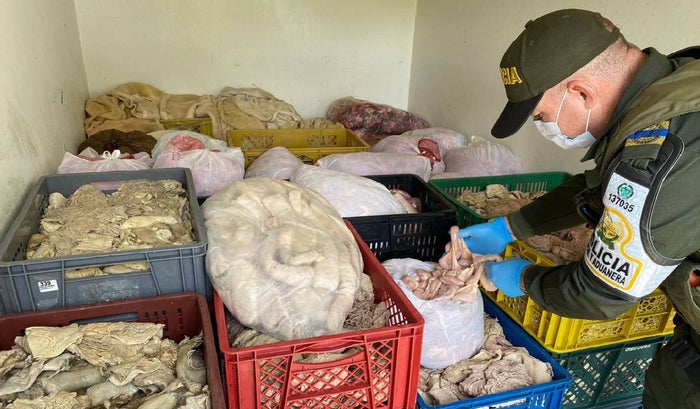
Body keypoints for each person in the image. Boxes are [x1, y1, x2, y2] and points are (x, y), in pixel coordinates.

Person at [460, 8, 700, 408]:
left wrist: (523, 278)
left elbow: (600, 294)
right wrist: (511, 227)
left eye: (541, 116)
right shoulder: (673, 89)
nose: (544, 126)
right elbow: (601, 187)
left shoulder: (669, 146)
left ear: (582, 93)